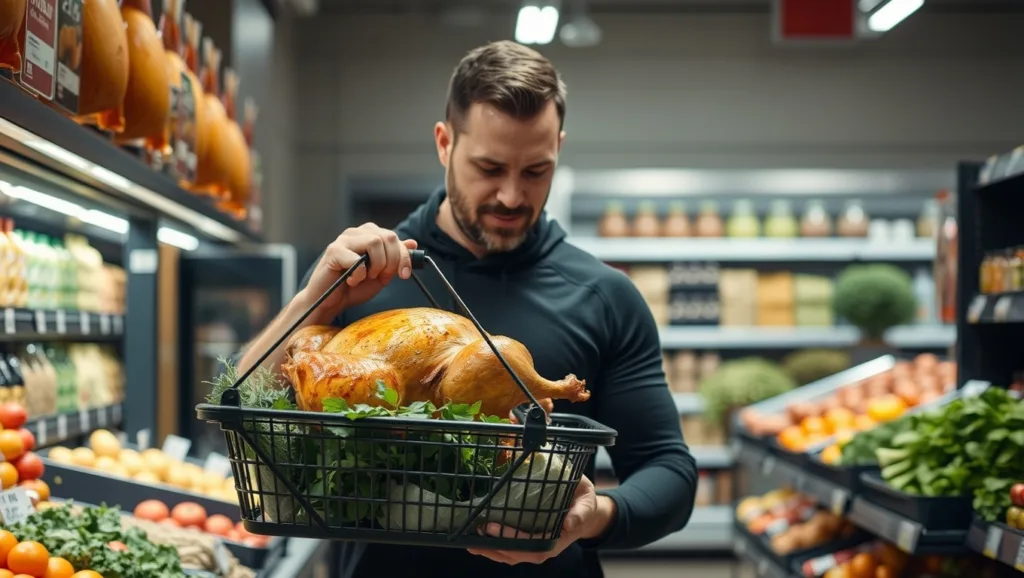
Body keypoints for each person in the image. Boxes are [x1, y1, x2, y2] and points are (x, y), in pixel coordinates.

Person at [238, 40, 697, 578]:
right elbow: (244, 415)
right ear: (443, 143)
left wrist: (594, 516)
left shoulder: (604, 296)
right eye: (489, 166)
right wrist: (312, 300)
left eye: (535, 171)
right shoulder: (363, 275)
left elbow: (670, 472)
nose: (509, 195)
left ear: (559, 149)